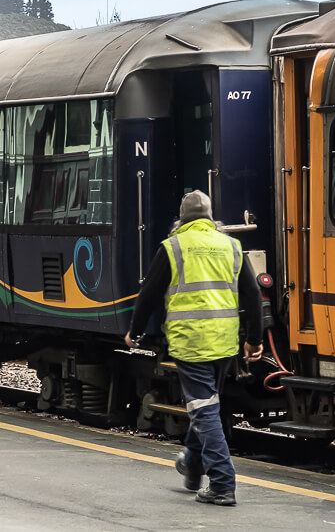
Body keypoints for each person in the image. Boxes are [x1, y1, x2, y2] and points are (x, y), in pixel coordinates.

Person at [125, 190, 264, 507]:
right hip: (225, 344)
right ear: (210, 216)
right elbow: (253, 295)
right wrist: (254, 340)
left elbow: (148, 295)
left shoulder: (173, 247)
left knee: (205, 412)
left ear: (182, 218)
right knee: (206, 407)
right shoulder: (230, 245)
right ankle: (191, 462)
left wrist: (135, 332)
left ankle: (222, 484)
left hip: (191, 342)